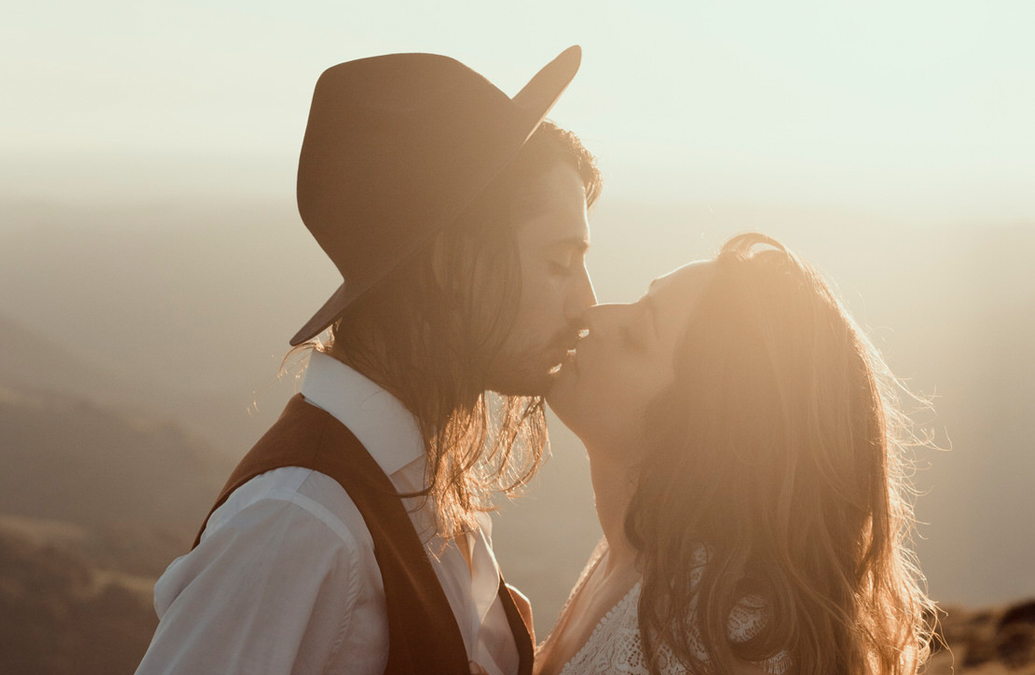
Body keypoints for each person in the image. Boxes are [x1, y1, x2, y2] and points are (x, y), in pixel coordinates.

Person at [135, 46, 601, 675]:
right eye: (559, 262)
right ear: (452, 265)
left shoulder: (423, 488)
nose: (587, 304)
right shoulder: (300, 526)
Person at [536, 233, 934, 675]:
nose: (595, 315)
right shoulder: (634, 555)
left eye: (633, 336)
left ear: (697, 429)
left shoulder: (716, 642)